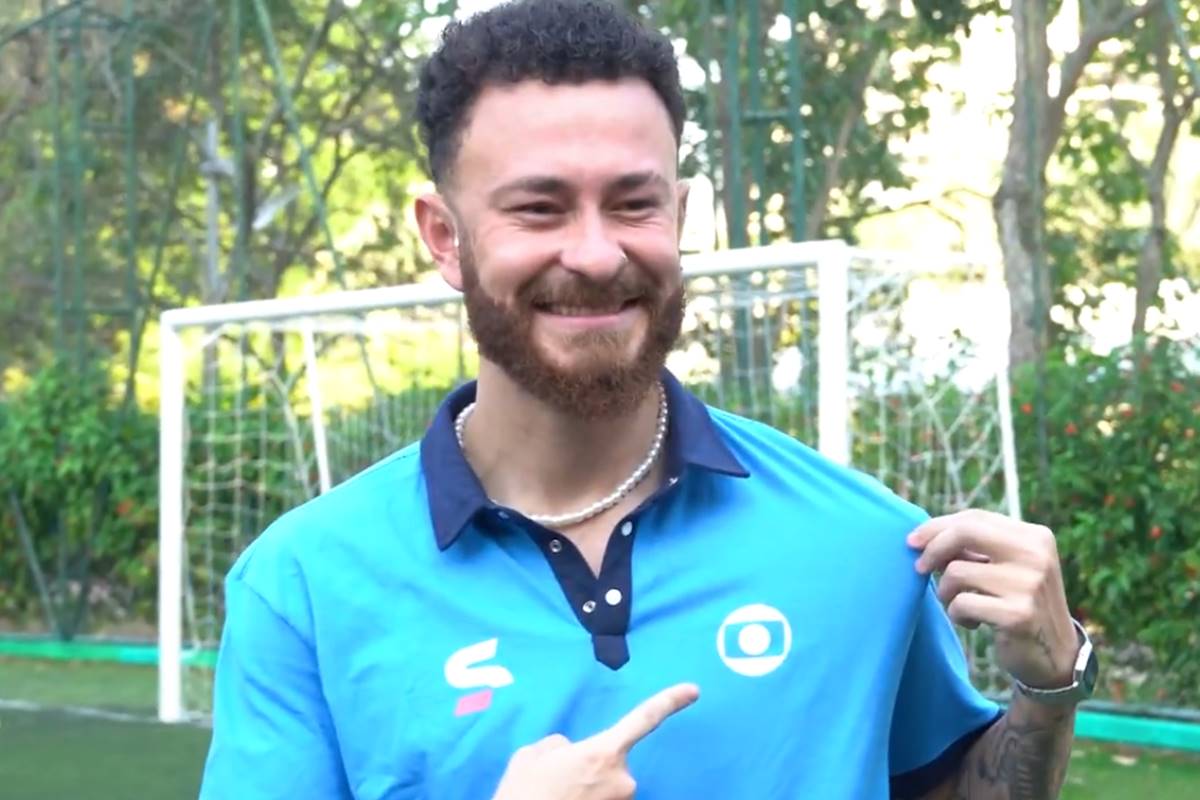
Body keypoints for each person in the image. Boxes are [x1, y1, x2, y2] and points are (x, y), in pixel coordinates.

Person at [199, 1, 1098, 798]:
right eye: (540, 208)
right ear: (444, 236)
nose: (596, 254)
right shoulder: (304, 584)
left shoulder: (868, 541)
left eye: (633, 203)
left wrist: (1050, 689)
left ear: (681, 213)